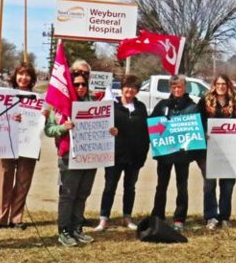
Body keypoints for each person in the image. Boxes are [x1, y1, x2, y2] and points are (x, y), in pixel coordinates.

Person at [45, 60, 117, 247]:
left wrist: (110, 131)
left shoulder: (93, 102)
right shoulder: (62, 105)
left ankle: (77, 228)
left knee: (83, 193)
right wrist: (63, 127)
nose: (81, 87)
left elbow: (103, 125)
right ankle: (64, 231)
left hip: (90, 155)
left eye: (83, 84)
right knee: (68, 194)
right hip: (69, 155)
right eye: (76, 84)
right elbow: (49, 129)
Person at [95, 74, 149, 232]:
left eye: (133, 87)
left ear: (137, 90)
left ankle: (127, 217)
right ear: (122, 87)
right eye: (127, 86)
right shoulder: (111, 105)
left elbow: (147, 130)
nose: (130, 90)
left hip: (135, 155)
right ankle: (103, 219)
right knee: (110, 186)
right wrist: (109, 129)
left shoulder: (141, 107)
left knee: (130, 187)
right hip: (114, 154)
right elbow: (100, 125)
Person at [0, 63, 38, 231]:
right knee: (3, 178)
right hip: (6, 141)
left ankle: (16, 218)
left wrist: (42, 116)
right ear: (15, 76)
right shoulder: (6, 94)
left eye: (27, 75)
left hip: (29, 144)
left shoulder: (38, 98)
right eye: (20, 74)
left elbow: (42, 122)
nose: (23, 78)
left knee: (23, 181)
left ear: (32, 79)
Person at [150, 75, 200, 232]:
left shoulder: (192, 106)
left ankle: (179, 218)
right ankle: (158, 215)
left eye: (180, 87)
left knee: (182, 185)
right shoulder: (163, 105)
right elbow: (152, 124)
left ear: (185, 87)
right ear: (170, 88)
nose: (177, 90)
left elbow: (196, 128)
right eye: (174, 87)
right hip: (164, 153)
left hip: (182, 154)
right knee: (161, 185)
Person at [200, 74, 236, 230]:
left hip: (229, 152)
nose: (221, 86)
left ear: (228, 86)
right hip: (209, 150)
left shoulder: (235, 104)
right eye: (218, 83)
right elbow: (197, 121)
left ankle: (224, 216)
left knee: (228, 185)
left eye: (224, 84)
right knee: (209, 185)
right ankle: (211, 216)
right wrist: (203, 132)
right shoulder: (205, 102)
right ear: (214, 85)